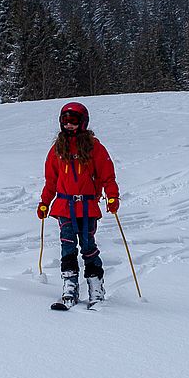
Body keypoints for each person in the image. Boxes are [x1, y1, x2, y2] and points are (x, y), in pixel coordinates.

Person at [36, 101, 121, 308]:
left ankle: (96, 288)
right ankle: (69, 287)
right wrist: (44, 202)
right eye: (65, 121)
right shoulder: (57, 149)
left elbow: (107, 176)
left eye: (73, 121)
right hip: (65, 206)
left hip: (87, 206)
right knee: (67, 245)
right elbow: (51, 181)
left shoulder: (95, 148)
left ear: (83, 122)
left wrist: (112, 196)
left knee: (88, 246)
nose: (69, 125)